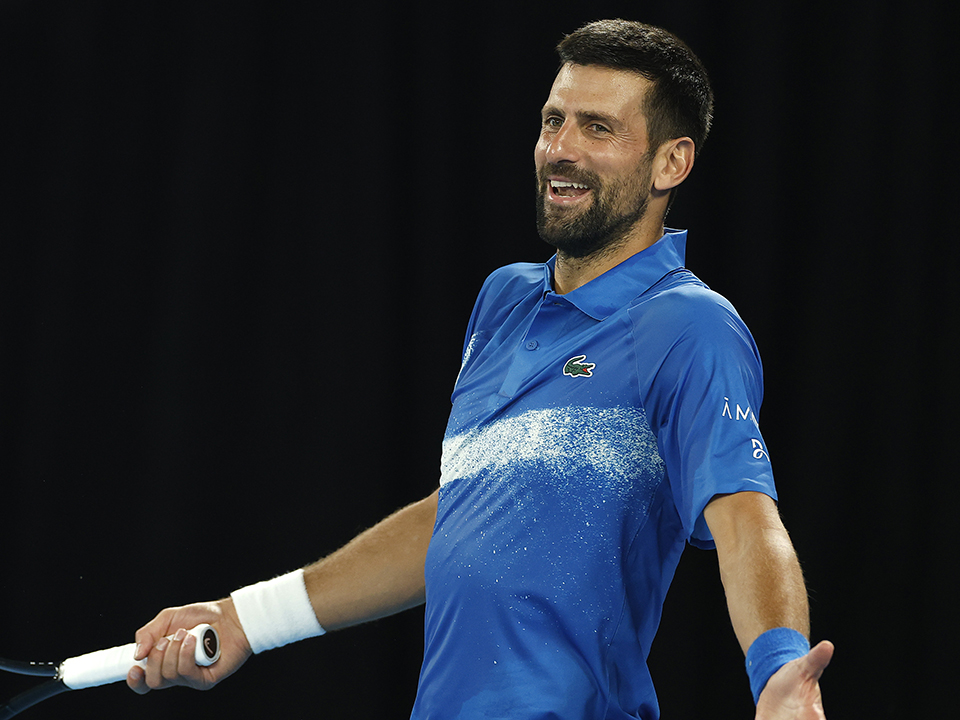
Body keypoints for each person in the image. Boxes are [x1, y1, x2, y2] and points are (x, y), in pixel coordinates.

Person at [123, 18, 833, 719]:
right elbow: (462, 514)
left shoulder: (690, 326)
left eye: (598, 128)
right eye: (554, 120)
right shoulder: (502, 300)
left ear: (671, 163)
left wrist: (777, 670)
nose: (560, 149)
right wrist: (249, 616)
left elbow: (744, 515)